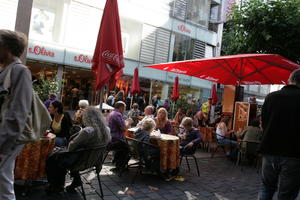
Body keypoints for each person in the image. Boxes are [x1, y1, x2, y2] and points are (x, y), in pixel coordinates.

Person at [45, 107, 111, 193]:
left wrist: (78, 135)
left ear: (88, 118)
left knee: (53, 158)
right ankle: (74, 181)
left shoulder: (88, 131)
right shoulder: (106, 129)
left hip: (81, 162)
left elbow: (71, 147)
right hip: (94, 160)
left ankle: (57, 185)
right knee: (60, 155)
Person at [258, 69, 300, 200]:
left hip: (269, 149)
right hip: (294, 153)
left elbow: (263, 124)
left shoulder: (271, 97)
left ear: (289, 79)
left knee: (266, 188)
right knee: (286, 194)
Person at [0, 30, 32, 200]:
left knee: (3, 184)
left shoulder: (19, 71)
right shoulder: (6, 71)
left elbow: (18, 113)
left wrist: (2, 145)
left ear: (7, 47)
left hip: (6, 138)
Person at [107, 101, 130, 171]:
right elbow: (123, 128)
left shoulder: (111, 113)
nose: (124, 110)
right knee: (129, 148)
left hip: (111, 138)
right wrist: (129, 122)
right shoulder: (117, 115)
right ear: (121, 108)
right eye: (124, 108)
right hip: (115, 140)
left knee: (124, 145)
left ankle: (117, 163)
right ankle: (120, 165)